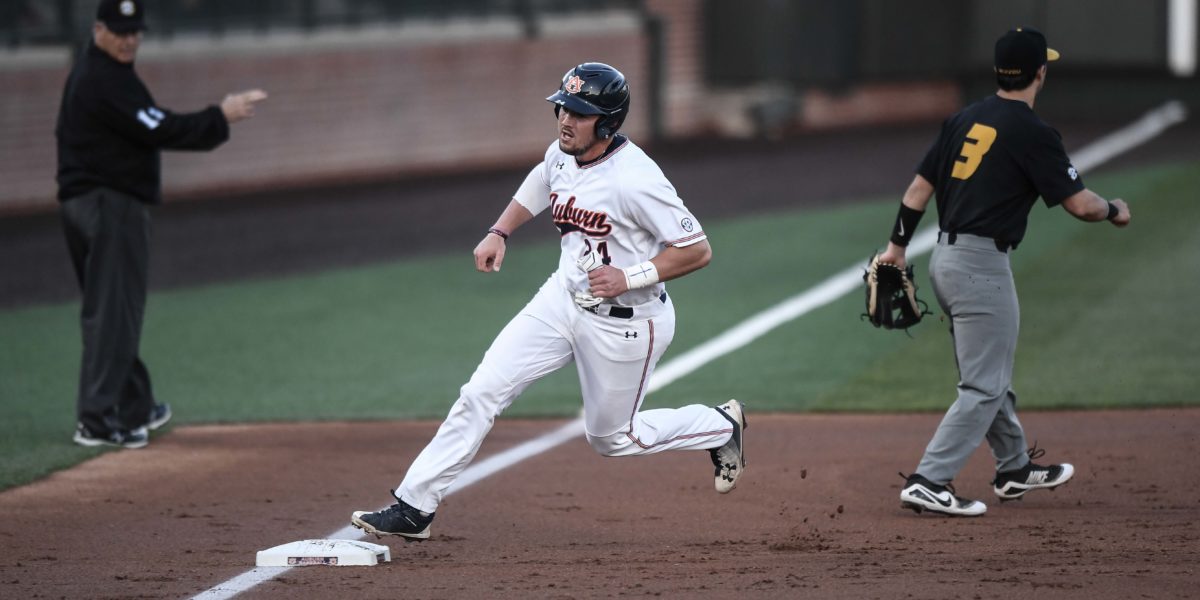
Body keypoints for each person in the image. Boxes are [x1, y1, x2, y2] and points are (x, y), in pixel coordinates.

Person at [351, 62, 746, 540]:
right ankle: (415, 507)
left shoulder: (636, 179)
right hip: (561, 298)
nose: (565, 119)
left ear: (606, 122)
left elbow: (697, 249)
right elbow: (543, 179)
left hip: (627, 323)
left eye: (579, 113)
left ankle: (719, 426)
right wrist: (500, 231)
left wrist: (630, 275)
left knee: (612, 440)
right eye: (563, 107)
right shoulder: (562, 153)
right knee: (482, 391)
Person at [878, 28, 1131, 516]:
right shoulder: (1034, 132)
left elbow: (916, 190)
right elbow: (1080, 204)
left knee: (989, 375)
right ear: (1040, 72)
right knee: (983, 386)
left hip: (946, 263)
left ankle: (1014, 468)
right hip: (980, 268)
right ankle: (930, 479)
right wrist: (1114, 209)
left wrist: (896, 248)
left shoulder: (962, 118)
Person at [57, 0, 268, 449]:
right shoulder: (103, 78)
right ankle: (95, 419)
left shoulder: (100, 73)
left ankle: (134, 403)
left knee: (115, 310)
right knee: (113, 312)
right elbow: (160, 128)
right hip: (108, 205)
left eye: (135, 30)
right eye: (120, 30)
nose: (130, 37)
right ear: (98, 29)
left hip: (88, 201)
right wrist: (220, 116)